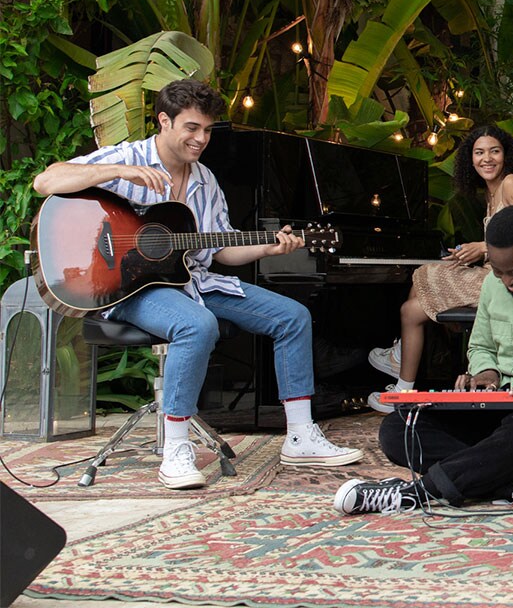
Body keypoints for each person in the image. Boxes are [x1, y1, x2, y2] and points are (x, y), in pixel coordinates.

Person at [32, 79, 362, 489]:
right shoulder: (129, 157)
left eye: (207, 130)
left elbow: (221, 250)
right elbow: (46, 181)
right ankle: (175, 447)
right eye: (191, 128)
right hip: (130, 287)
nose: (201, 139)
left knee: (292, 316)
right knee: (197, 325)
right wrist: (116, 171)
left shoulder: (206, 179)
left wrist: (269, 247)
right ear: (164, 121)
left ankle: (299, 436)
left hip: (194, 281)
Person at [333, 205, 513, 513]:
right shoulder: (494, 285)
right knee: (398, 428)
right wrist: (486, 373)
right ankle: (509, 486)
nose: (507, 282)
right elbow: (480, 345)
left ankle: (415, 494)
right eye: (498, 272)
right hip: (495, 403)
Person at [365, 125, 513, 409]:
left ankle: (401, 377)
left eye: (494, 151)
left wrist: (482, 247)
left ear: (506, 155)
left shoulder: (511, 182)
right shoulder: (491, 193)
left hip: (508, 282)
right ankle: (402, 375)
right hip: (493, 275)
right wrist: (471, 253)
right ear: (471, 159)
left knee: (417, 292)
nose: (487, 158)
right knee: (417, 292)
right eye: (479, 153)